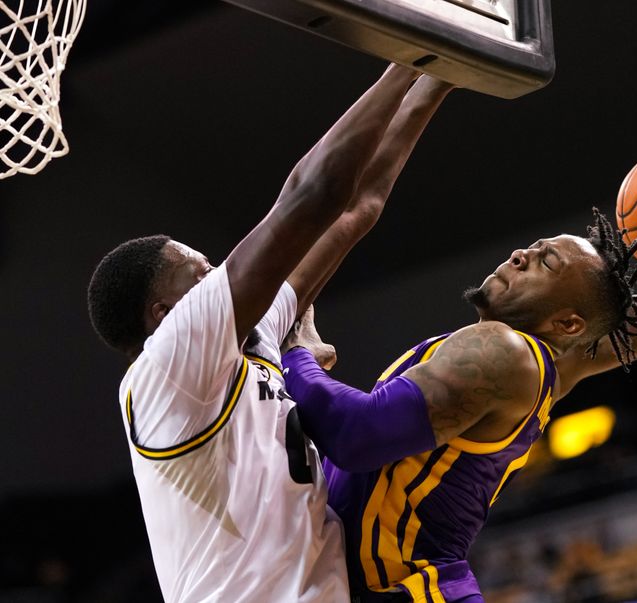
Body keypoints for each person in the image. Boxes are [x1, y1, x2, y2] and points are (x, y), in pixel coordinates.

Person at [86, 65, 455, 602]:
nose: (220, 276)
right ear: (165, 315)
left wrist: (439, 77)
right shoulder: (166, 368)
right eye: (202, 272)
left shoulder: (251, 339)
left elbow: (355, 209)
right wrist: (407, 59)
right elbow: (315, 194)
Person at [281, 196, 637, 602]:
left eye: (546, 263)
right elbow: (612, 341)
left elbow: (357, 435)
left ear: (566, 324)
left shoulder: (504, 355)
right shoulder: (537, 365)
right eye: (534, 247)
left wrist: (297, 352)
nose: (521, 254)